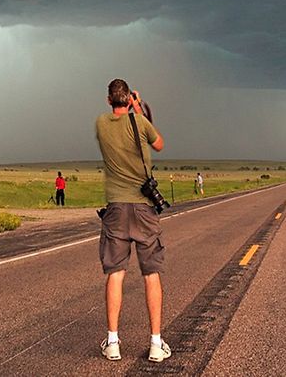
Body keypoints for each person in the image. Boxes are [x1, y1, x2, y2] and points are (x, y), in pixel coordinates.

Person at [94, 78, 169, 363]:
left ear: (108, 101)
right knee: (151, 273)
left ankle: (112, 341)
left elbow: (117, 123)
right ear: (129, 99)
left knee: (115, 272)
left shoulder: (101, 124)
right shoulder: (140, 123)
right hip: (144, 208)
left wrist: (129, 107)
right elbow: (160, 144)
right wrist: (138, 107)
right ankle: (155, 343)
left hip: (115, 209)